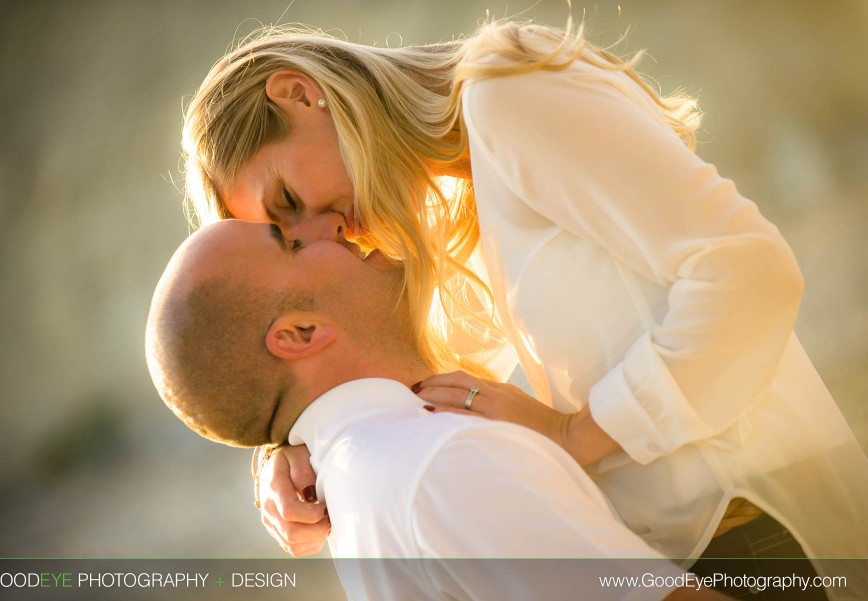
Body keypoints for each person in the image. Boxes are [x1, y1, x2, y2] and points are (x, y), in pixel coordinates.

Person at [180, 15, 868, 600]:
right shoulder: (432, 216)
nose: (325, 232)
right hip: (665, 555)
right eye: (296, 238)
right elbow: (393, 386)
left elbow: (748, 271)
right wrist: (291, 446)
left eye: (289, 205)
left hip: (754, 536)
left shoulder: (507, 97)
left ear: (300, 93)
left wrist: (577, 433)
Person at [145, 218, 733, 601]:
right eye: (294, 243)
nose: (330, 227)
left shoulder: (361, 476)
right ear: (300, 333)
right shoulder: (445, 464)